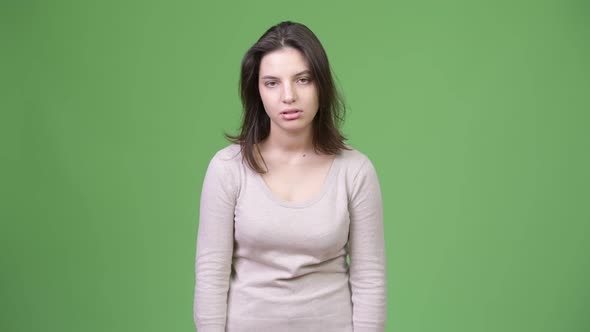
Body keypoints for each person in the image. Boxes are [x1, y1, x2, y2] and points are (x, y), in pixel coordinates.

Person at [193, 21, 386, 332]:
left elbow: (369, 277)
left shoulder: (355, 171)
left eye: (302, 80)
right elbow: (210, 274)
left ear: (321, 85)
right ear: (256, 90)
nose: (288, 96)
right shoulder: (227, 168)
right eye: (272, 83)